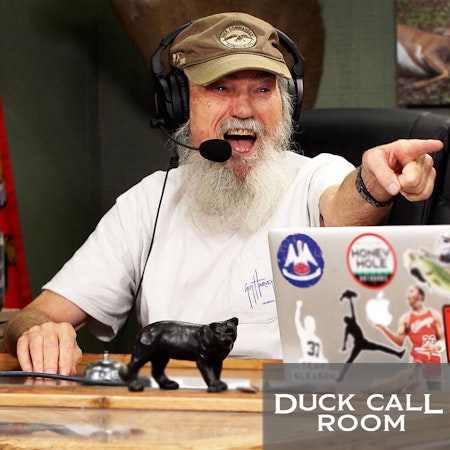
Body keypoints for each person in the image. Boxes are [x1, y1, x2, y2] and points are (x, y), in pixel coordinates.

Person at [4, 12, 442, 376]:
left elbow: (346, 209)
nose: (244, 109)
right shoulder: (147, 204)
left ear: (286, 100)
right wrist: (40, 331)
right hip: (176, 423)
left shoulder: (316, 176)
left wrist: (373, 183)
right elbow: (34, 315)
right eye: (220, 88)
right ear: (179, 103)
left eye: (262, 89)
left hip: (290, 418)